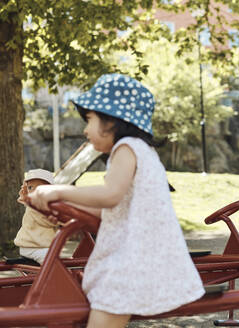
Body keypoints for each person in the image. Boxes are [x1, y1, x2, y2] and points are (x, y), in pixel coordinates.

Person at [29, 73, 205, 328]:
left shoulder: (126, 149)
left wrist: (59, 191)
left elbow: (110, 196)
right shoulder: (142, 151)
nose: (84, 129)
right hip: (145, 258)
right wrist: (70, 209)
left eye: (90, 120)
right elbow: (115, 209)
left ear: (113, 121)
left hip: (131, 262)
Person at [14, 169, 57, 264]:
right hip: (32, 247)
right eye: (30, 187)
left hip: (38, 246)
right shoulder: (35, 206)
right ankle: (53, 277)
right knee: (51, 262)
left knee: (54, 256)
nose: (34, 191)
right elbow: (48, 221)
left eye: (40, 188)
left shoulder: (43, 204)